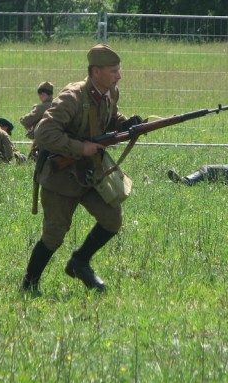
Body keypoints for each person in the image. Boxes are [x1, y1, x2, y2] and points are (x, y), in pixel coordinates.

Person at [20, 44, 142, 297]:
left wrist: (126, 123)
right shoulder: (71, 97)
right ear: (96, 72)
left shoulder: (111, 93)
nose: (119, 76)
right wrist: (80, 147)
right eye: (113, 71)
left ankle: (79, 262)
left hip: (90, 173)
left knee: (112, 220)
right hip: (61, 177)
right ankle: (29, 285)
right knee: (54, 235)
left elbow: (109, 117)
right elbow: (44, 133)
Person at [20, 81, 54, 160]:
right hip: (57, 139)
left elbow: (25, 120)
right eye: (40, 92)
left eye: (44, 92)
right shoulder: (58, 104)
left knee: (33, 162)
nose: (42, 94)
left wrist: (29, 126)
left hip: (43, 140)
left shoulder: (43, 107)